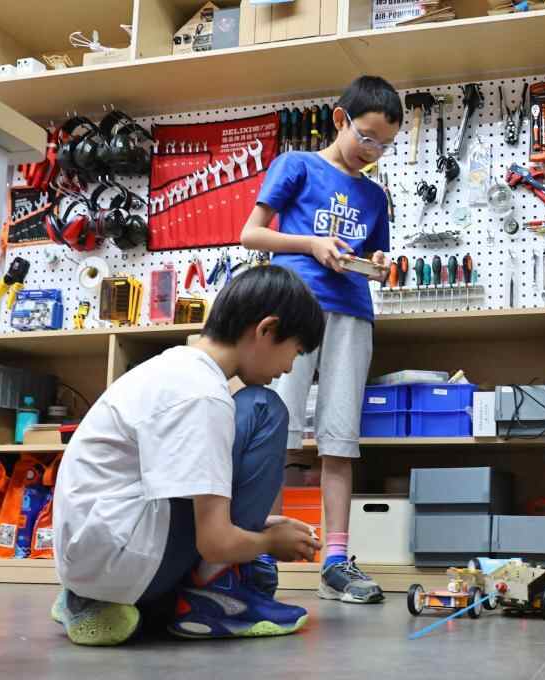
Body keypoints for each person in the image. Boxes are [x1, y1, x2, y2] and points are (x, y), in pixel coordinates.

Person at [51, 266, 325, 645]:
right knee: (264, 408)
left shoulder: (172, 368)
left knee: (250, 409)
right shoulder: (204, 395)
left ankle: (91, 600)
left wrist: (258, 523)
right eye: (294, 351)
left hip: (90, 562)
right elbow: (214, 543)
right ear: (266, 330)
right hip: (124, 562)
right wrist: (269, 542)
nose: (289, 367)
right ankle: (215, 595)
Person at [241, 75, 402, 604]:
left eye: (384, 145)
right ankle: (259, 555)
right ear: (340, 119)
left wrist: (378, 263)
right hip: (295, 309)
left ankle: (335, 562)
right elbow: (251, 233)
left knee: (339, 439)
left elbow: (373, 253)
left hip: (353, 313)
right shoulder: (297, 165)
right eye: (367, 137)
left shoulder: (375, 194)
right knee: (276, 434)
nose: (372, 151)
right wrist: (311, 244)